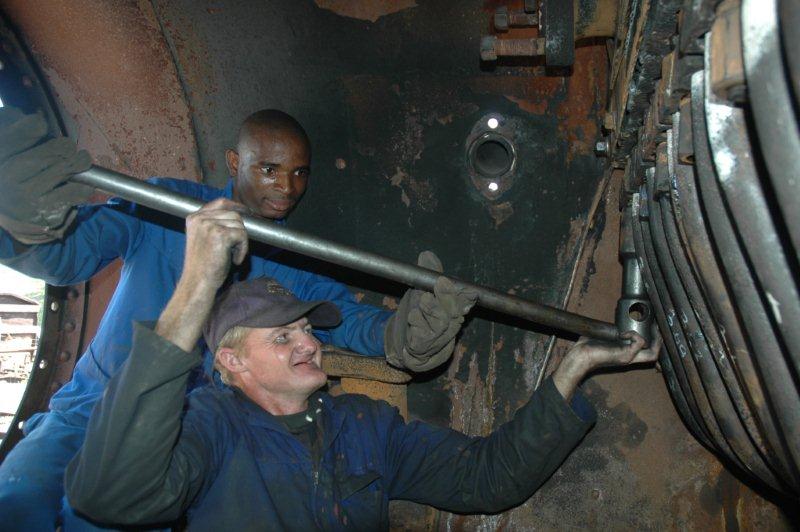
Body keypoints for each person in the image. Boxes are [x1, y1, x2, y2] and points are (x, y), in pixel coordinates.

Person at [65, 172, 661, 530]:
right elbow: (110, 495)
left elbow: (488, 479)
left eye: (306, 329)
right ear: (232, 362)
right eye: (282, 336)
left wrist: (573, 369)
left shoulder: (365, 427)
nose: (308, 342)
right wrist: (196, 282)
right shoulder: (210, 429)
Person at [0, 107, 473, 529]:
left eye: (299, 173)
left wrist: (402, 336)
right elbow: (66, 259)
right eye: (269, 169)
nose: (286, 189)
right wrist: (27, 222)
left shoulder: (296, 258)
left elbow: (348, 319)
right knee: (15, 500)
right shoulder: (169, 206)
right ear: (234, 163)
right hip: (85, 410)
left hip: (175, 435)